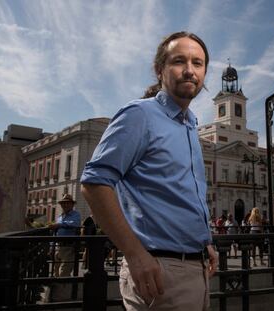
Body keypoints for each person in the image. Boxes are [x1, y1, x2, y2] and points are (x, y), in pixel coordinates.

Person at [80, 31, 217, 311]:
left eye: (198, 63)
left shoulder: (190, 125)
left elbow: (179, 194)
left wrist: (205, 244)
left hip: (196, 267)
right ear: (159, 70)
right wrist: (135, 254)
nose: (190, 70)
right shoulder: (140, 115)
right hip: (159, 270)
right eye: (179, 61)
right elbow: (95, 183)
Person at [49, 194, 81, 277]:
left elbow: (75, 224)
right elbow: (55, 232)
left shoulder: (76, 215)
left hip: (69, 247)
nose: (65, 205)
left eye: (68, 203)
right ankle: (62, 289)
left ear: (72, 204)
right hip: (58, 247)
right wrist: (52, 246)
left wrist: (60, 224)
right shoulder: (60, 216)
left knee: (63, 273)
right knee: (55, 273)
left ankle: (64, 289)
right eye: (63, 203)